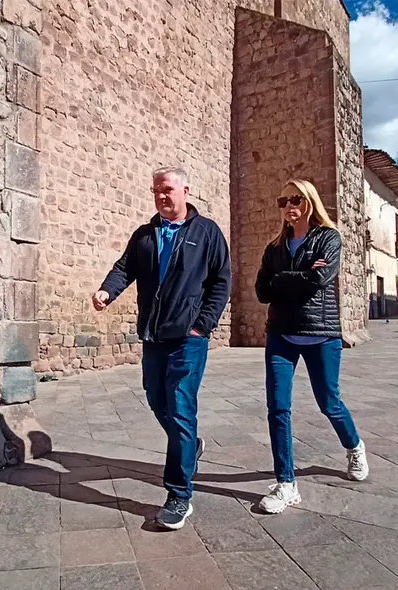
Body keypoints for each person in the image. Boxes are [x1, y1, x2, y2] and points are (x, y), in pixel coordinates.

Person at [92, 166, 231, 530]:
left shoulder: (207, 233)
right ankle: (190, 445)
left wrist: (203, 326)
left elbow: (221, 282)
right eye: (156, 190)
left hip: (189, 338)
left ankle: (179, 494)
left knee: (181, 408)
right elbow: (125, 268)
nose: (161, 196)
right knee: (156, 399)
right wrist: (108, 290)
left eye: (167, 189)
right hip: (153, 336)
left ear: (185, 190)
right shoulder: (146, 234)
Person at [253, 179, 368, 515]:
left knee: (329, 402)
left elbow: (320, 281)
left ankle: (354, 446)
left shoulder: (328, 238)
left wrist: (282, 280)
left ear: (309, 202)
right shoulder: (274, 248)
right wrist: (299, 274)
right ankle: (286, 484)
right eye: (283, 199)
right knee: (278, 407)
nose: (289, 205)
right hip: (280, 334)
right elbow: (262, 292)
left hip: (321, 333)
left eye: (296, 199)